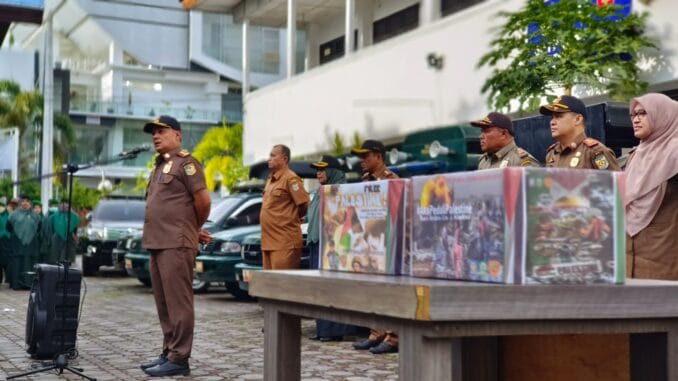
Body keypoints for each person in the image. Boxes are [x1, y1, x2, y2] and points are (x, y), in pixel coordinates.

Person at [139, 115, 211, 377]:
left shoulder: (187, 164)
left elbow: (203, 201)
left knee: (178, 303)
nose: (156, 136)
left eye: (161, 131)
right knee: (163, 303)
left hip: (175, 244)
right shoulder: (159, 166)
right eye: (153, 133)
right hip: (157, 242)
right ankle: (169, 351)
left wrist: (192, 228)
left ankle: (180, 358)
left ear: (177, 135)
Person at [350, 139, 399, 355]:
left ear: (378, 157)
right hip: (369, 244)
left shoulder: (392, 180)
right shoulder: (364, 181)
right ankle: (376, 331)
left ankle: (394, 336)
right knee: (373, 290)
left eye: (366, 156)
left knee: (389, 291)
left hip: (387, 243)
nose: (362, 160)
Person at [307, 155, 363, 342]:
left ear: (333, 171)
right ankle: (323, 329)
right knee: (319, 289)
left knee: (332, 289)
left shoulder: (342, 191)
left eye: (322, 169)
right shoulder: (321, 191)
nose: (318, 173)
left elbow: (348, 222)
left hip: (334, 247)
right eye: (317, 170)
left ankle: (334, 331)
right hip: (317, 245)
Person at [624, 93, 678, 279]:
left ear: (662, 115)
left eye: (643, 113)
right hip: (630, 255)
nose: (636, 119)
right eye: (633, 115)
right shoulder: (635, 154)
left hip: (664, 257)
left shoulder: (674, 151)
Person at [260, 144, 310, 270]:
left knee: (281, 285)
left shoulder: (291, 178)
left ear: (284, 159)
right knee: (269, 286)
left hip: (284, 242)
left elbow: (305, 204)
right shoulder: (271, 179)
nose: (269, 159)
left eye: (273, 155)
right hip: (268, 243)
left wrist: (292, 217)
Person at [540, 95, 620, 170]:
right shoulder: (552, 153)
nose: (552, 122)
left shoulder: (595, 152)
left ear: (578, 119)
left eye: (558, 116)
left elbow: (615, 182)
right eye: (552, 117)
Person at [471, 112, 540, 169]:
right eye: (482, 131)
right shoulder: (484, 161)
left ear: (503, 134)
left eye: (487, 131)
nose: (481, 136)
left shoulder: (522, 161)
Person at [6, 195, 41, 290]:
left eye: (27, 201)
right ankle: (17, 284)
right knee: (17, 263)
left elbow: (39, 228)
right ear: (20, 203)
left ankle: (28, 284)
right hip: (17, 243)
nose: (25, 203)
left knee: (29, 263)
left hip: (31, 244)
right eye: (23, 201)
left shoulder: (35, 215)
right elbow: (8, 228)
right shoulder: (13, 215)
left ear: (30, 203)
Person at [0, 199, 10, 285]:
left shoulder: (9, 215)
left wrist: (7, 234)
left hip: (7, 240)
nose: (0, 208)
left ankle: (8, 278)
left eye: (2, 206)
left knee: (7, 259)